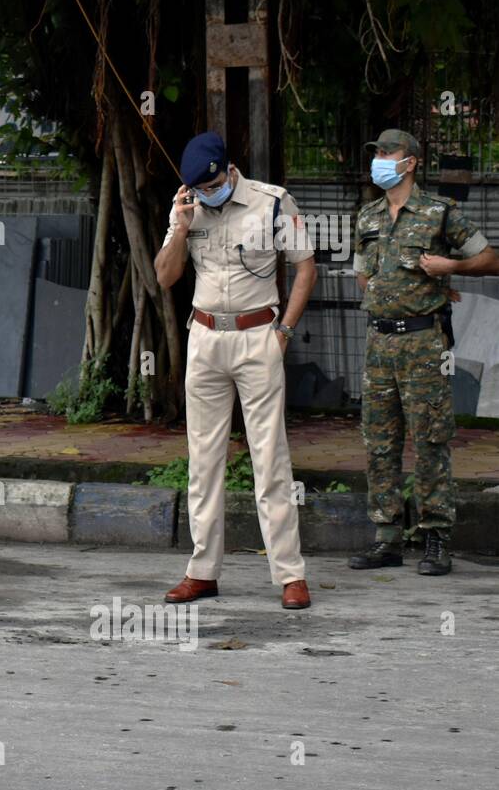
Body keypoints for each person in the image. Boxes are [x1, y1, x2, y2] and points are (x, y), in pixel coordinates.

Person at [154, 131, 317, 610]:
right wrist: (181, 226)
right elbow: (165, 276)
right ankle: (202, 571)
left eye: (213, 185)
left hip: (257, 336)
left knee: (270, 457)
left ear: (230, 170)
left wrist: (283, 331)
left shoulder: (271, 202)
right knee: (203, 460)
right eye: (199, 190)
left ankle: (290, 573)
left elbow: (305, 267)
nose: (208, 194)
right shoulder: (186, 206)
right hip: (204, 338)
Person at [349, 129, 498, 576]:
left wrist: (450, 267)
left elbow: (490, 258)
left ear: (410, 161)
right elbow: (362, 276)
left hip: (423, 342)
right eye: (375, 153)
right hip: (379, 343)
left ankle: (436, 540)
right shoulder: (368, 215)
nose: (379, 160)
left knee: (430, 440)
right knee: (379, 442)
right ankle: (387, 538)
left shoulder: (438, 213)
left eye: (387, 153)